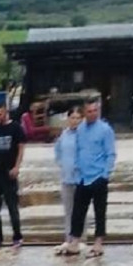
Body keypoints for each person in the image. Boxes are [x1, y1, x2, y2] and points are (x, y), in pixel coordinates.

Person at [64, 98, 117, 258]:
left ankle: (98, 243)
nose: (92, 114)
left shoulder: (105, 130)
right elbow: (78, 150)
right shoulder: (80, 129)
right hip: (82, 177)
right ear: (84, 113)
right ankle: (74, 242)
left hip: (98, 176)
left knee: (100, 212)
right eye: (89, 111)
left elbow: (110, 153)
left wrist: (105, 174)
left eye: (95, 111)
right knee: (78, 212)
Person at [0, 95, 26, 249]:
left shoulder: (16, 128)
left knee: (12, 207)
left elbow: (21, 148)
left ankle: (17, 237)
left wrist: (17, 167)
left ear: (6, 112)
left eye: (0, 115)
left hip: (9, 173)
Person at [53, 106, 85, 255]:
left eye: (78, 118)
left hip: (82, 179)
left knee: (81, 211)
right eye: (73, 118)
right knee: (68, 211)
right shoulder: (64, 135)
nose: (75, 121)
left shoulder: (85, 135)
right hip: (66, 178)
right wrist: (62, 164)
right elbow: (58, 151)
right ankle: (69, 238)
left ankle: (81, 239)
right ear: (68, 119)